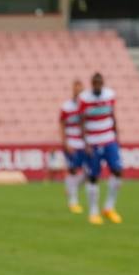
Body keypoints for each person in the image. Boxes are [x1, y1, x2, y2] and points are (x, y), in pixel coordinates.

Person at [79, 72, 122, 225]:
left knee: (117, 170)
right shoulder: (85, 98)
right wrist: (86, 143)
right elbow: (82, 122)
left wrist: (117, 137)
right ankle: (93, 211)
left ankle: (109, 207)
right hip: (93, 142)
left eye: (100, 83)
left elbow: (112, 115)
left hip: (109, 139)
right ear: (92, 84)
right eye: (95, 83)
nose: (98, 85)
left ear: (102, 83)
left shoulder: (110, 95)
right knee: (93, 176)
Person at [59, 79, 86, 214]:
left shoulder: (87, 106)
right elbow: (62, 124)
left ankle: (71, 188)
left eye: (80, 89)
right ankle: (73, 202)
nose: (78, 91)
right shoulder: (66, 107)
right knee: (73, 170)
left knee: (89, 173)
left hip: (84, 143)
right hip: (72, 143)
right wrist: (65, 142)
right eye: (76, 88)